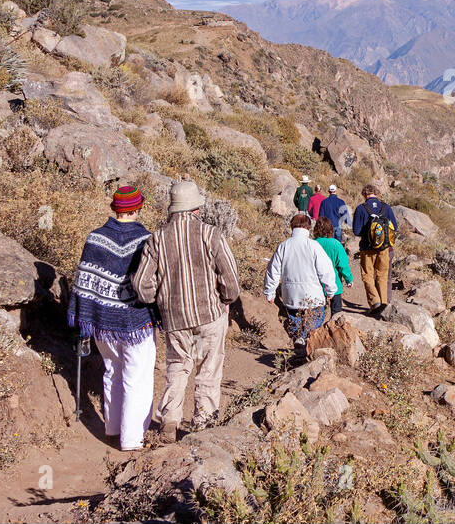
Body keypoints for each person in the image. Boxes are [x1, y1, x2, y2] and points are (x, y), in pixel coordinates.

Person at [133, 181, 241, 439]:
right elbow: (231, 279)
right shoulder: (210, 234)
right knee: (208, 368)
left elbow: (140, 283)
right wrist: (225, 299)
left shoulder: (156, 239)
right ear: (196, 209)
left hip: (175, 318)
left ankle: (170, 418)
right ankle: (203, 421)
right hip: (209, 314)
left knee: (178, 367)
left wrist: (157, 301)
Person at [69, 186, 156, 452]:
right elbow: (154, 282)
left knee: (112, 371)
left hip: (102, 322)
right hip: (137, 321)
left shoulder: (95, 239)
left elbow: (84, 283)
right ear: (138, 207)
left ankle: (112, 428)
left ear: (114, 208)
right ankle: (132, 439)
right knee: (136, 378)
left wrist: (83, 316)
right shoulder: (148, 239)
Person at [262, 213, 337, 362]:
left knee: (295, 318)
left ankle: (299, 341)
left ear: (292, 226)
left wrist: (270, 292)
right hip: (313, 295)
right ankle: (307, 344)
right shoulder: (313, 246)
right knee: (316, 318)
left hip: (291, 294)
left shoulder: (284, 246)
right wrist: (331, 290)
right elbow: (326, 270)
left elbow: (273, 271)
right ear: (308, 227)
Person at [352, 184, 397, 315]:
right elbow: (394, 227)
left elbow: (356, 231)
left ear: (364, 194)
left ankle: (375, 302)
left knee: (367, 276)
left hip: (367, 248)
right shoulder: (386, 207)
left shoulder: (361, 208)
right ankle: (383, 303)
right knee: (382, 275)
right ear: (376, 193)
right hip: (384, 248)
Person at [312, 216, 353, 315]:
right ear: (330, 229)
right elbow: (343, 265)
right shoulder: (336, 244)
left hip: (316, 284)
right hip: (335, 284)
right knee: (336, 313)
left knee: (318, 314)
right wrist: (349, 279)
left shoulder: (312, 244)